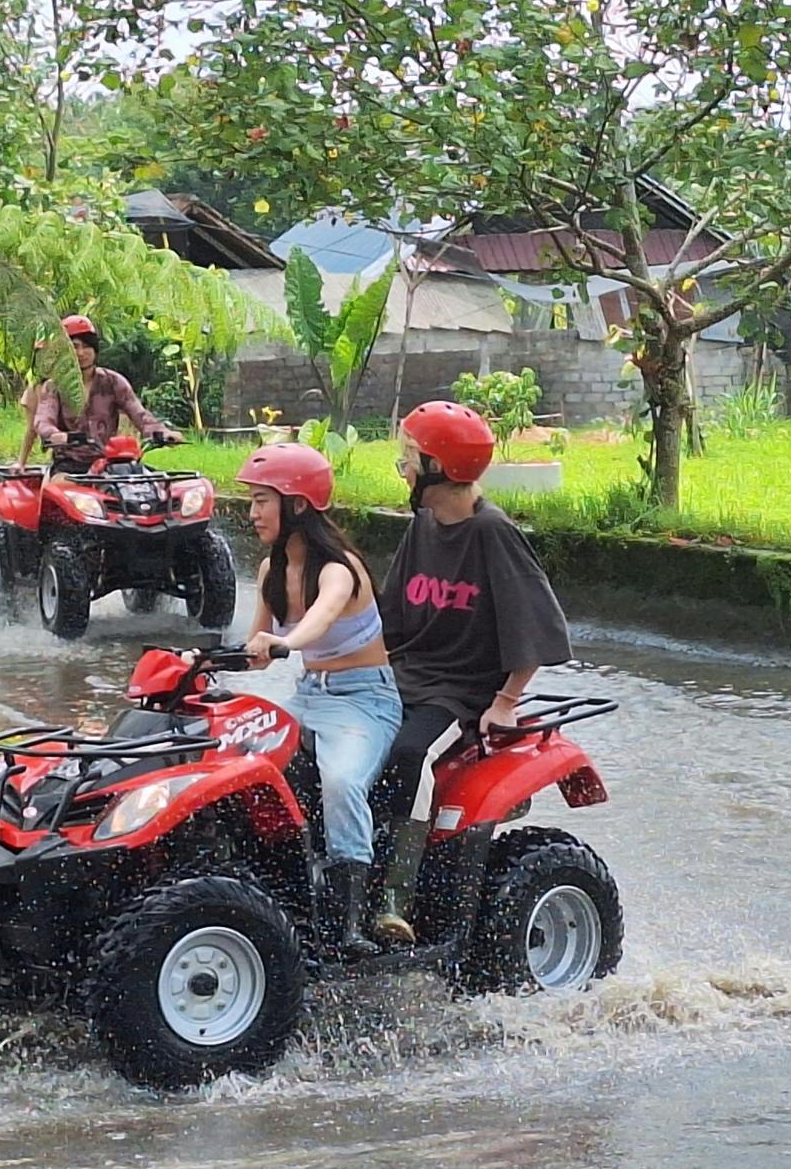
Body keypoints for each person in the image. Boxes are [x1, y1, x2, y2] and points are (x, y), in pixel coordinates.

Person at [371, 400, 573, 945]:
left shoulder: (493, 533)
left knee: (409, 752)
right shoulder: (424, 523)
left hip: (458, 689)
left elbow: (532, 625)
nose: (404, 469)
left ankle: (392, 892)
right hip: (406, 672)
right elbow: (390, 616)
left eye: (409, 458)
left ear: (439, 468)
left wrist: (505, 701)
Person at [236, 444, 399, 958]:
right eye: (253, 501)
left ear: (298, 506)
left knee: (342, 781)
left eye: (264, 501)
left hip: (364, 702)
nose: (253, 512)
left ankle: (348, 925)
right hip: (307, 695)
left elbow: (318, 621)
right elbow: (254, 650)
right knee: (239, 764)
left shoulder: (339, 570)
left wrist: (284, 644)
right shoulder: (270, 571)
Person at [17, 314, 180, 468]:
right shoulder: (53, 386)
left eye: (87, 346)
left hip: (109, 464)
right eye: (74, 347)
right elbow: (43, 421)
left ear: (95, 349)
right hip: (70, 465)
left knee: (150, 491)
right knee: (63, 491)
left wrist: (162, 433)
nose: (81, 353)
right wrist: (55, 435)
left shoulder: (113, 381)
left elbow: (139, 414)